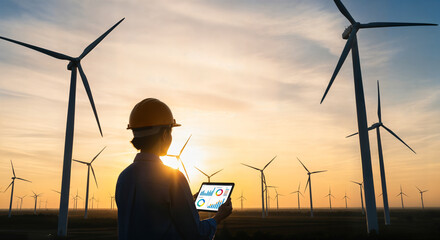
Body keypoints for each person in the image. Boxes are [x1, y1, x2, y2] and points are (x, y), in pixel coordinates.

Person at [116, 98, 233, 240]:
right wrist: (218, 218)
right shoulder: (172, 179)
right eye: (170, 131)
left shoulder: (124, 177)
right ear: (165, 135)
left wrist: (186, 202)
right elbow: (196, 234)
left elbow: (149, 218)